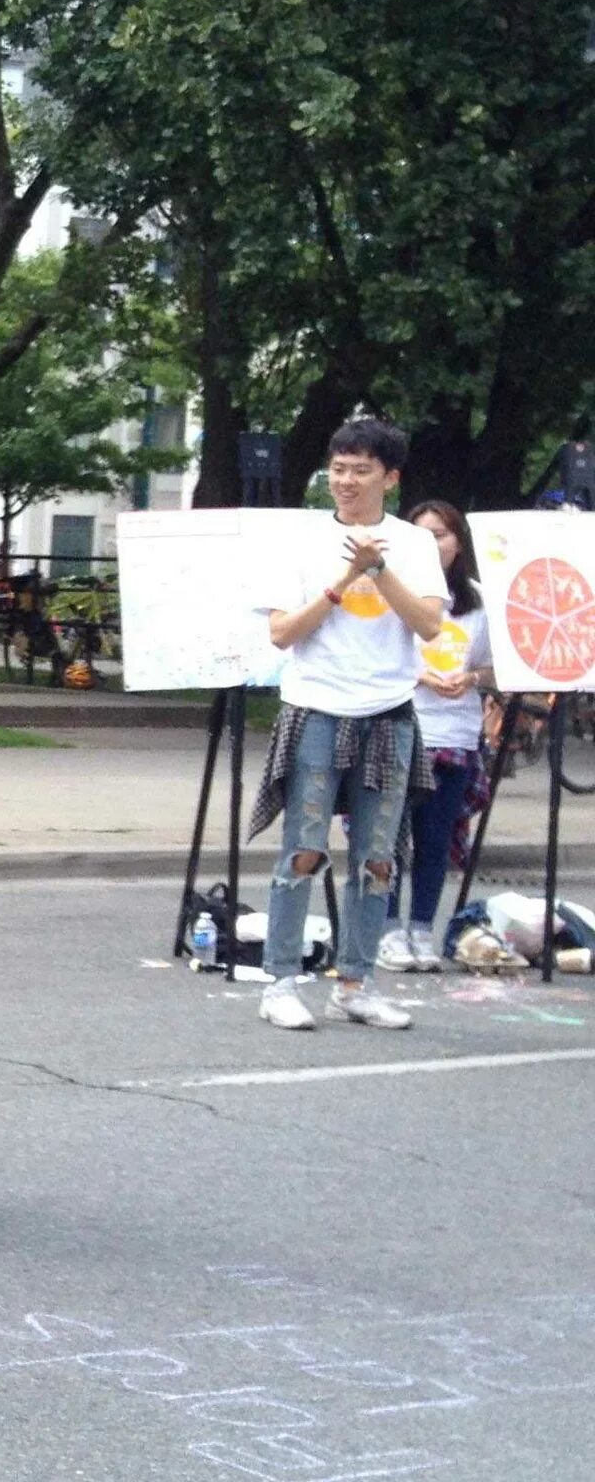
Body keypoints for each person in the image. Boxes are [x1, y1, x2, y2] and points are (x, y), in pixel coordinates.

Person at [248, 416, 444, 1032]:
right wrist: (343, 582)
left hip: (388, 712)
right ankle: (280, 981)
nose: (346, 480)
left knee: (377, 859)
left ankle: (355, 983)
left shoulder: (412, 544)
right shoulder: (303, 542)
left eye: (361, 470)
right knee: (304, 849)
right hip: (317, 709)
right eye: (338, 468)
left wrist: (379, 571)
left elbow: (430, 625)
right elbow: (282, 633)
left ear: (390, 477)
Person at [381, 498, 490, 973]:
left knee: (435, 838)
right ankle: (385, 929)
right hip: (400, 724)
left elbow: (492, 664)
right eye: (422, 534)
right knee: (386, 834)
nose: (433, 544)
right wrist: (423, 678)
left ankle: (422, 927)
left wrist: (472, 680)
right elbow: (378, 656)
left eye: (441, 535)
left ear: (458, 542)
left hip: (456, 733)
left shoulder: (478, 599)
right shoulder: (393, 589)